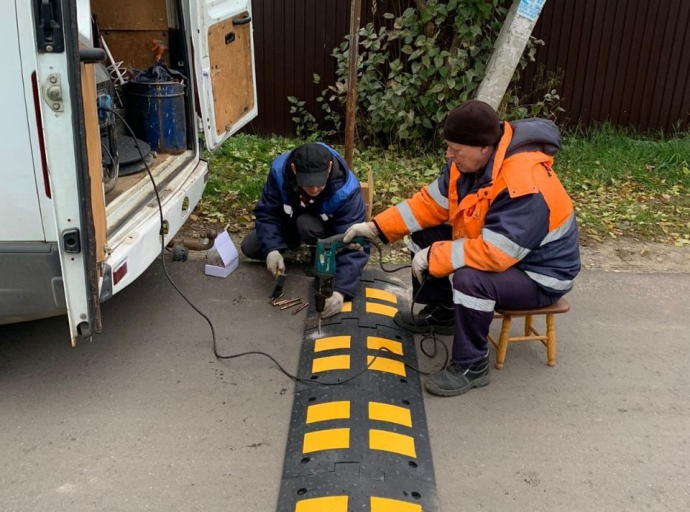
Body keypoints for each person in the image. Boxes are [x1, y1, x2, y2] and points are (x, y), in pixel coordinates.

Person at [344, 100, 580, 397]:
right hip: (507, 254)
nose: (448, 154)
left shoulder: (523, 183)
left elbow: (496, 254)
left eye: (455, 149)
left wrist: (435, 257)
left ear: (484, 147)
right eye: (448, 146)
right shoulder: (467, 164)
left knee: (471, 280)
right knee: (424, 236)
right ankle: (443, 312)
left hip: (540, 274)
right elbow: (429, 205)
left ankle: (471, 365)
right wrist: (376, 228)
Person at [242, 142, 368, 318]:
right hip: (292, 222)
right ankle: (290, 245)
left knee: (307, 225)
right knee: (250, 247)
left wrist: (341, 291)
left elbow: (355, 244)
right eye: (309, 185)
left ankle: (318, 256)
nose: (315, 189)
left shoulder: (347, 191)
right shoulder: (280, 172)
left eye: (319, 183)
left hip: (325, 232)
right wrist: (272, 249)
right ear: (294, 169)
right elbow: (267, 213)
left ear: (329, 166)